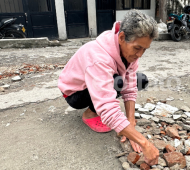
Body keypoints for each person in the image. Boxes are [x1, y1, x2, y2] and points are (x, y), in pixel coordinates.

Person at [58, 10, 159, 165]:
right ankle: (90, 113)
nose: (140, 55)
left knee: (139, 80)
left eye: (145, 49)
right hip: (75, 93)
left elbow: (131, 87)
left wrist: (130, 122)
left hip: (95, 84)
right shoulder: (99, 57)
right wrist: (145, 143)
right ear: (122, 37)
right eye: (137, 48)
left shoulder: (129, 54)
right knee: (117, 81)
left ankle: (98, 109)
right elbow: (107, 107)